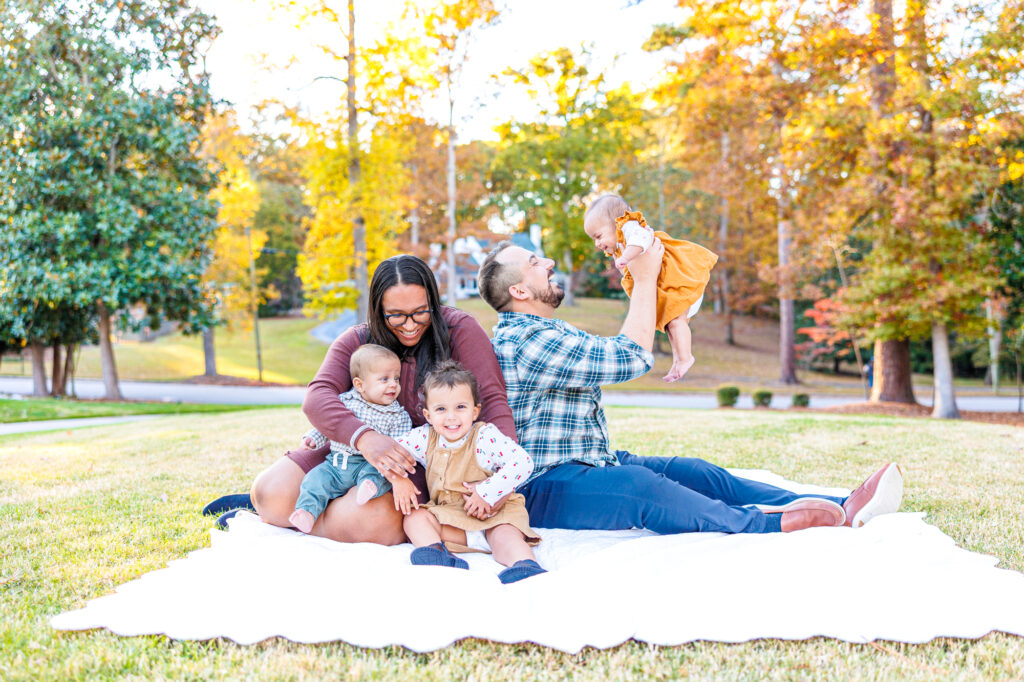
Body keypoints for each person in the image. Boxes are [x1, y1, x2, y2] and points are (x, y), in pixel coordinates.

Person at [475, 239, 904, 535]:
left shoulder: (545, 331)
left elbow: (620, 346)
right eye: (534, 263)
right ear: (518, 290)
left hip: (589, 460)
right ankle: (772, 524)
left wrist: (654, 286)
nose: (547, 263)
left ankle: (838, 503)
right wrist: (644, 280)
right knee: (641, 488)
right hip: (542, 485)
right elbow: (630, 358)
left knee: (697, 473)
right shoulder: (526, 340)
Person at [203, 255, 517, 544]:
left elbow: (491, 401)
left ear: (433, 302)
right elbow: (317, 396)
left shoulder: (460, 330)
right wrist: (364, 438)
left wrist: (501, 480)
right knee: (269, 492)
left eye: (420, 312)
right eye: (396, 315)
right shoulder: (358, 339)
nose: (409, 325)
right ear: (378, 309)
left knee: (376, 521)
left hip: (422, 461)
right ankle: (280, 509)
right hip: (348, 455)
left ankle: (288, 519)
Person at [390, 360, 546, 584]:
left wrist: (487, 492)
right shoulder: (424, 437)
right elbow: (390, 453)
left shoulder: (484, 437)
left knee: (505, 537)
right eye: (441, 409)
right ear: (428, 415)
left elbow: (523, 463)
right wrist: (397, 478)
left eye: (460, 407)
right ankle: (436, 552)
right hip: (454, 518)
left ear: (475, 411)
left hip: (495, 516)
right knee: (415, 518)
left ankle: (524, 566)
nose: (451, 417)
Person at [583, 194, 718, 382]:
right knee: (672, 324)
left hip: (680, 280)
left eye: (598, 236)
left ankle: (686, 357)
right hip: (668, 285)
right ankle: (679, 359)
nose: (597, 243)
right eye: (593, 239)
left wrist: (626, 257)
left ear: (616, 223)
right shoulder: (620, 245)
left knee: (677, 322)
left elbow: (642, 240)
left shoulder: (629, 227)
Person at [288, 344, 412, 534]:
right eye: (384, 379)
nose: (393, 385)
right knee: (315, 480)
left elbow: (398, 447)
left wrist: (396, 472)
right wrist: (313, 438)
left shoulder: (398, 415)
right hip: (337, 463)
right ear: (359, 385)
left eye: (396, 378)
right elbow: (330, 425)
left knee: (377, 475)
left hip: (369, 463)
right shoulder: (346, 402)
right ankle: (306, 512)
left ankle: (368, 487)